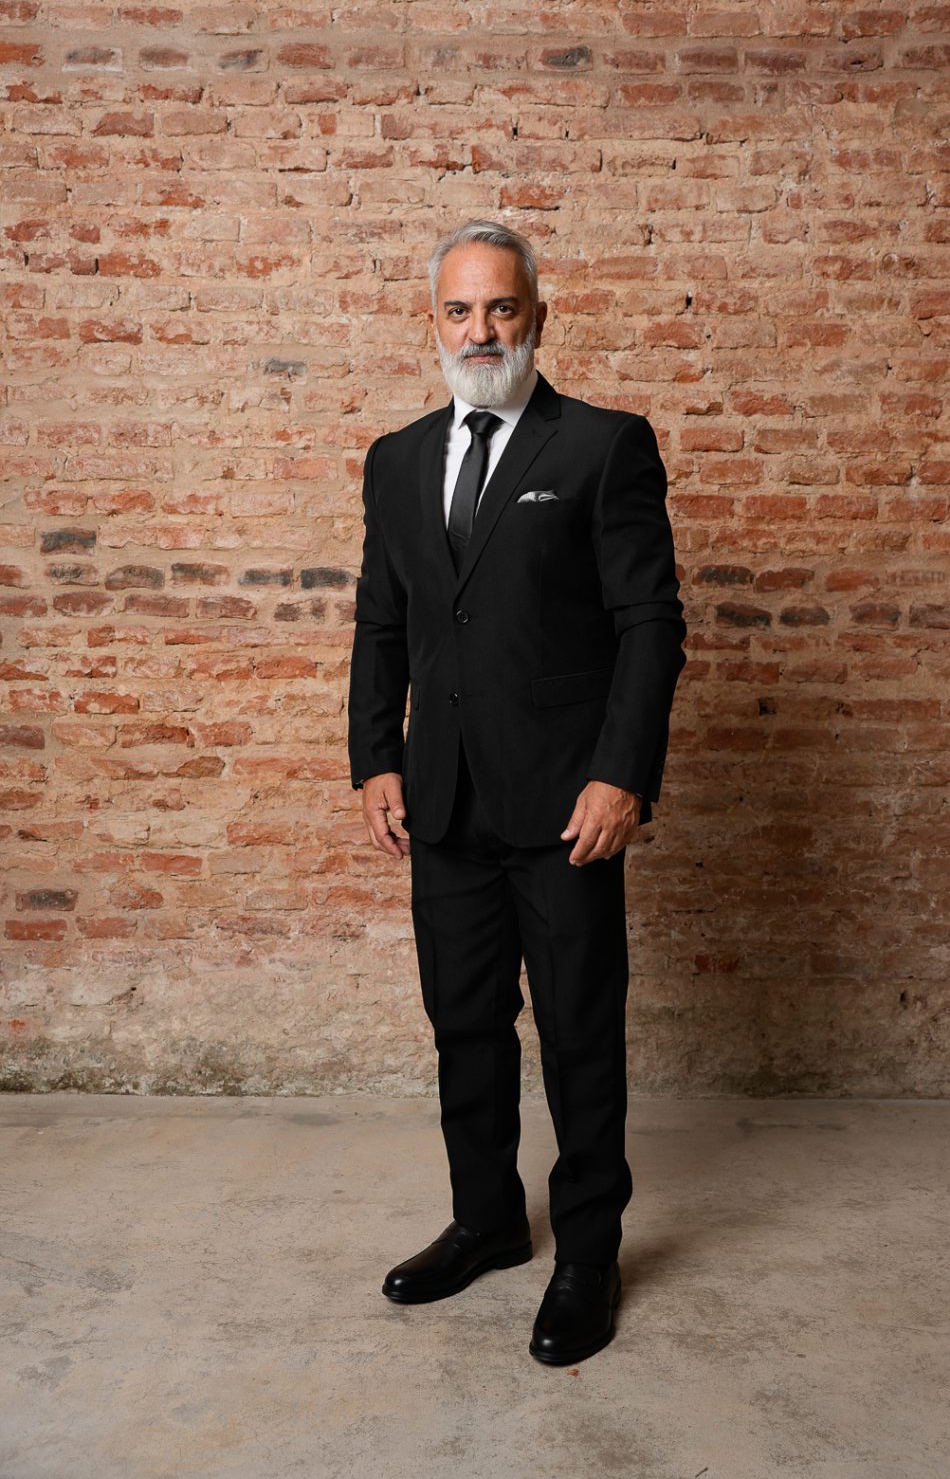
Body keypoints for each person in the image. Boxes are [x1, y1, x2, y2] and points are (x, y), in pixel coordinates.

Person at [347, 218, 685, 1365]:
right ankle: (486, 1221)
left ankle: (587, 1253)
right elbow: (381, 622)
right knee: (464, 1026)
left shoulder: (602, 447)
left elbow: (649, 625)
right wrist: (374, 758)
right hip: (441, 802)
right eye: (459, 310)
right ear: (432, 323)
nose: (479, 330)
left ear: (537, 317)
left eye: (500, 307)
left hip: (565, 809)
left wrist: (620, 775)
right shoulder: (396, 460)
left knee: (581, 1034)